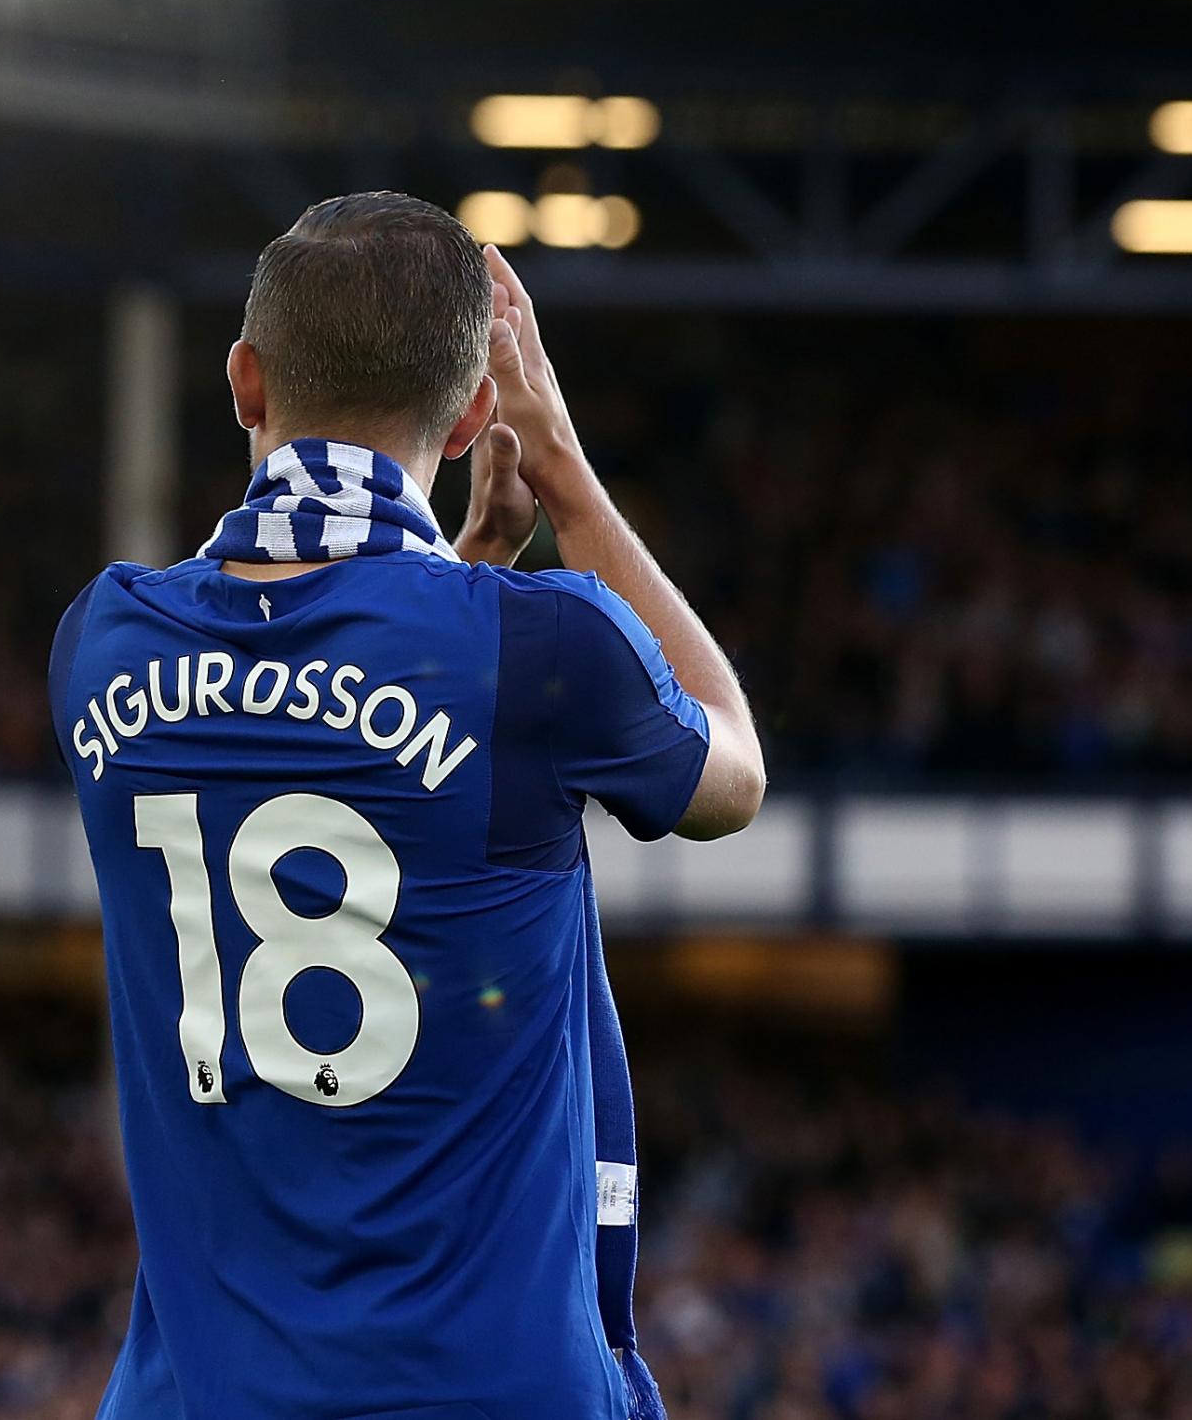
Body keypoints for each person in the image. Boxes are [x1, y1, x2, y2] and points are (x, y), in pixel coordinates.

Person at [50, 193, 765, 1420]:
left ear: (243, 381)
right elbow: (730, 779)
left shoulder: (105, 642)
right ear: (480, 409)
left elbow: (316, 727)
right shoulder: (542, 651)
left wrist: (463, 575)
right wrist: (566, 484)